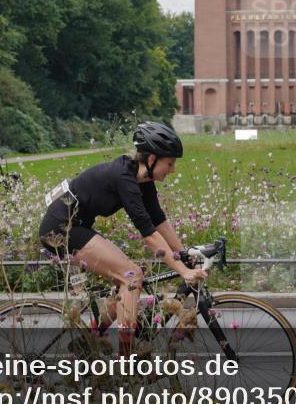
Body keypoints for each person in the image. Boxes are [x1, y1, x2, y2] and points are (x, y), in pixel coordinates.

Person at [38, 122, 206, 354]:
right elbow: (149, 235)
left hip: (78, 227)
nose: (173, 169)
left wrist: (184, 255)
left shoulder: (143, 182)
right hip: (60, 230)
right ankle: (126, 361)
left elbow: (159, 222)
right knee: (132, 277)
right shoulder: (124, 179)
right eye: (170, 163)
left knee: (126, 282)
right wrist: (183, 271)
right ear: (152, 159)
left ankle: (90, 340)